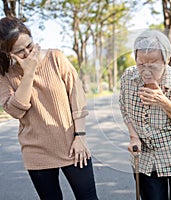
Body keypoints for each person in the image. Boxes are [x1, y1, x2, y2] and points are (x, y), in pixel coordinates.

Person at [0, 17, 98, 200]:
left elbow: (77, 96)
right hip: (36, 151)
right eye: (20, 52)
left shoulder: (56, 57)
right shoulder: (5, 75)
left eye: (30, 46)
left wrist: (80, 136)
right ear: (7, 54)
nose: (28, 54)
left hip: (72, 145)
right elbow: (16, 111)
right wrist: (29, 73)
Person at [119, 30, 171, 200]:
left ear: (166, 60)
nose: (146, 70)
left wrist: (163, 101)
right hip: (146, 158)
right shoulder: (129, 77)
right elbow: (124, 108)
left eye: (153, 64)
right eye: (141, 64)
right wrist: (134, 136)